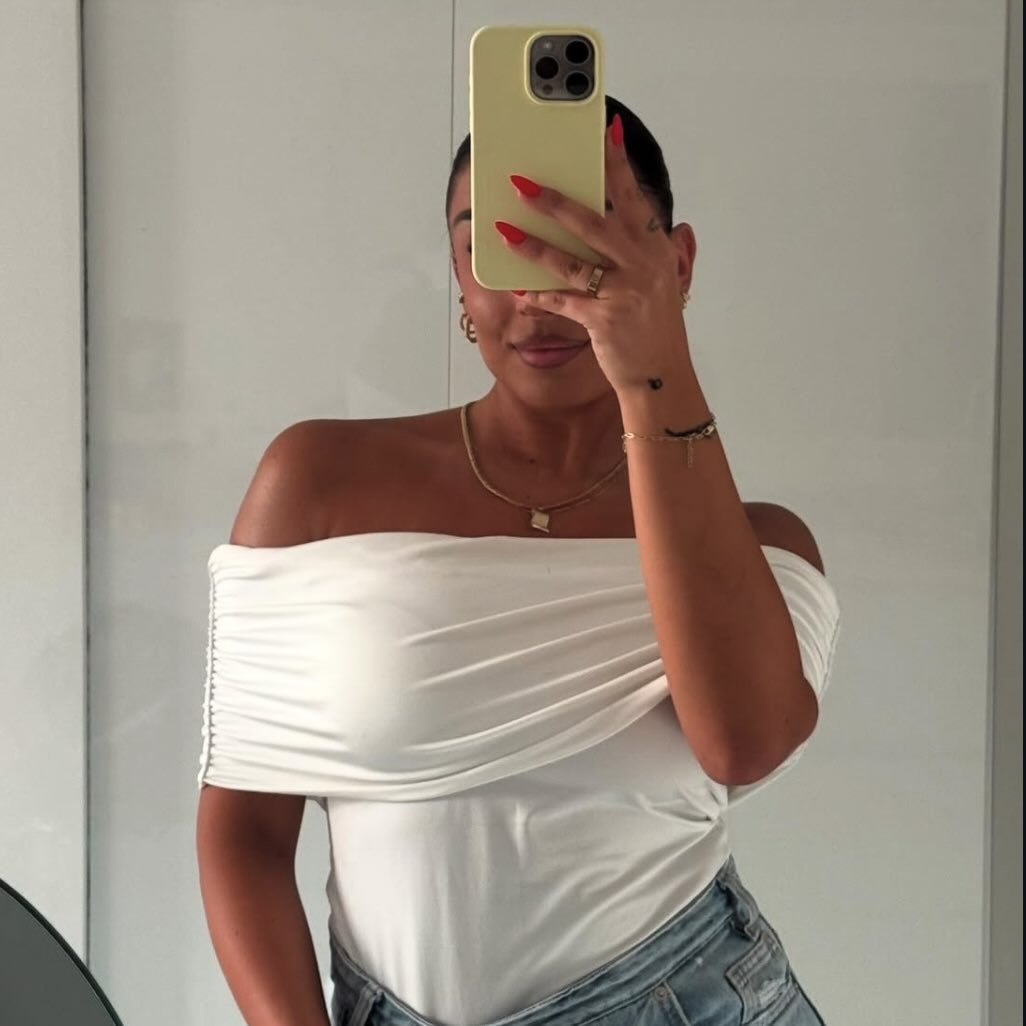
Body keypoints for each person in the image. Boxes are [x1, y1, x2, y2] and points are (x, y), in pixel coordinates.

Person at [196, 97, 840, 1026]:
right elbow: (243, 838)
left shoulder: (765, 551)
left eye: (587, 243)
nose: (539, 294)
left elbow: (743, 742)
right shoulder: (318, 487)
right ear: (458, 275)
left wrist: (654, 368)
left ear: (676, 264)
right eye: (495, 247)